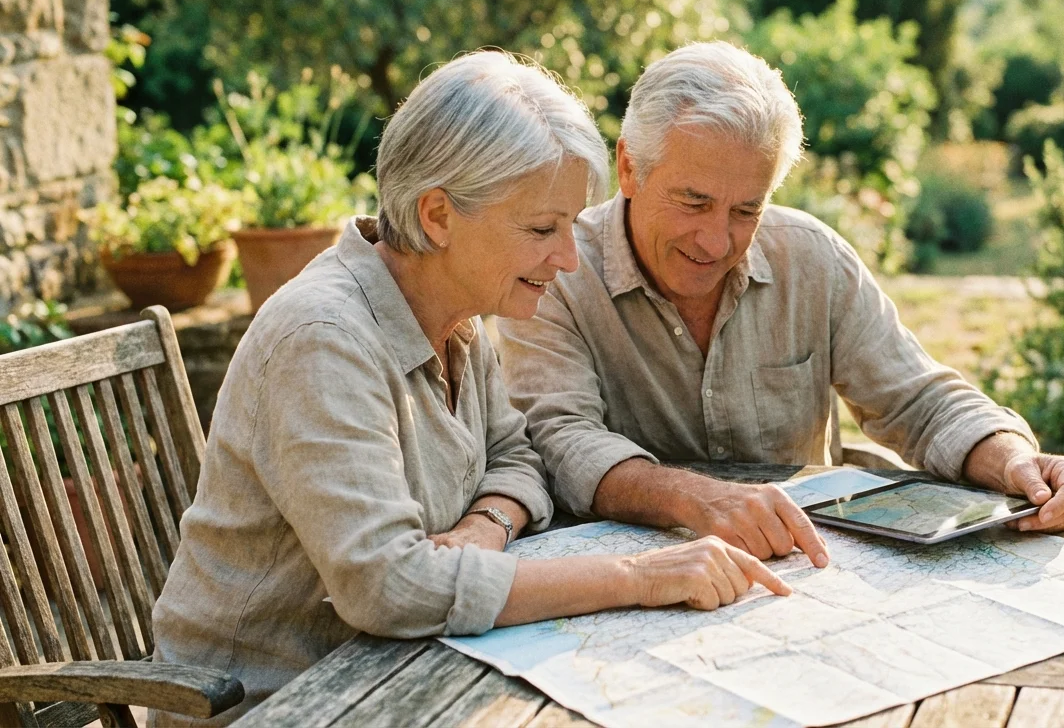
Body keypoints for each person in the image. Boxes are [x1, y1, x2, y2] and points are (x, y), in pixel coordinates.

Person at [151, 51, 790, 726]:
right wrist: (639, 577)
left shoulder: (454, 316)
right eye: (542, 229)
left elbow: (518, 459)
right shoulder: (322, 338)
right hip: (270, 704)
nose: (568, 258)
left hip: (401, 670)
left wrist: (485, 525)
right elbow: (389, 585)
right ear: (437, 215)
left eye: (571, 226)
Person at [498, 42, 1064, 569]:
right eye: (694, 202)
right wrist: (698, 500)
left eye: (745, 211)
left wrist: (1014, 462)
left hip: (805, 575)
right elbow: (560, 438)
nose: (716, 241)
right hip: (634, 580)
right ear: (629, 167)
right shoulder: (557, 271)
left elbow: (920, 401)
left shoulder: (811, 257)